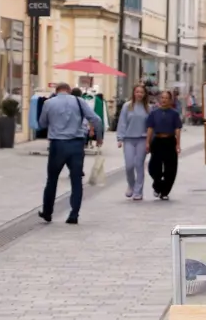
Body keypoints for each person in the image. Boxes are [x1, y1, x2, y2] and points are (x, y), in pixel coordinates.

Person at [37, 82, 102, 225]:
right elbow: (96, 119)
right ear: (70, 90)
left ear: (56, 91)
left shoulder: (49, 103)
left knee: (52, 180)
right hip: (76, 145)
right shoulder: (79, 101)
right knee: (76, 180)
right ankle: (74, 214)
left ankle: (47, 212)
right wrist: (98, 136)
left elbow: (41, 124)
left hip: (57, 145)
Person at [115, 83, 152, 201]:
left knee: (139, 165)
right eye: (137, 92)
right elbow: (122, 122)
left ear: (145, 94)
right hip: (129, 139)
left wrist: (149, 141)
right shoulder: (127, 106)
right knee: (129, 165)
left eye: (141, 92)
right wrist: (120, 138)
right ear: (134, 93)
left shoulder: (148, 108)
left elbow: (151, 126)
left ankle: (138, 191)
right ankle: (131, 185)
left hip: (142, 138)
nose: (139, 94)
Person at [146, 90, 184, 201]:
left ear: (170, 100)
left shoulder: (174, 113)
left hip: (170, 141)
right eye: (162, 98)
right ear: (159, 99)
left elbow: (177, 129)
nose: (164, 100)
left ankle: (165, 192)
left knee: (170, 169)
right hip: (157, 140)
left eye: (166, 98)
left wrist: (178, 144)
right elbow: (150, 128)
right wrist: (147, 142)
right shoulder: (154, 113)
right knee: (153, 167)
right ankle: (157, 186)